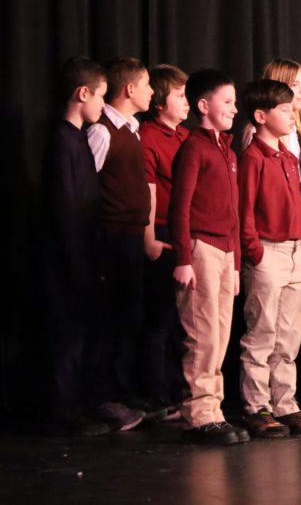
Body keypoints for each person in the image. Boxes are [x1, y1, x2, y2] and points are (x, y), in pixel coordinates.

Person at [43, 58, 136, 435]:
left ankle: (84, 402)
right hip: (68, 260)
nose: (102, 105)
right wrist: (81, 262)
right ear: (82, 94)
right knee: (67, 335)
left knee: (86, 332)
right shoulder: (62, 141)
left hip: (87, 254)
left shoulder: (78, 138)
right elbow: (67, 208)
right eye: (99, 96)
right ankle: (64, 410)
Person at [237, 79, 301, 438]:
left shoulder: (289, 157)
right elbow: (243, 209)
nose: (292, 114)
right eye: (285, 109)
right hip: (266, 251)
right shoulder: (252, 157)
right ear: (261, 115)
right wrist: (254, 250)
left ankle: (285, 403)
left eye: (293, 107)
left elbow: (294, 202)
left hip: (295, 252)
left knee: (288, 335)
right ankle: (256, 406)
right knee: (262, 332)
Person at [169, 69, 248, 444]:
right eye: (227, 102)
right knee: (201, 334)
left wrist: (234, 264)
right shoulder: (194, 147)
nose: (235, 109)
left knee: (220, 334)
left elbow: (232, 212)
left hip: (224, 251)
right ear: (203, 105)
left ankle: (214, 408)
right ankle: (199, 413)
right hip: (200, 248)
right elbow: (179, 208)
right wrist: (183, 258)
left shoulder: (227, 151)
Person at [86, 57, 154, 412]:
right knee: (109, 318)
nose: (152, 92)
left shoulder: (132, 129)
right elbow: (87, 188)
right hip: (110, 238)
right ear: (130, 89)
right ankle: (103, 396)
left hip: (132, 236)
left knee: (130, 317)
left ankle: (123, 390)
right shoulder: (102, 131)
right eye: (147, 85)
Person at [138, 64, 190, 417]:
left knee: (183, 321)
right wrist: (150, 238)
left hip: (186, 234)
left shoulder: (186, 137)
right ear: (159, 102)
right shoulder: (148, 137)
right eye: (180, 96)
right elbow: (148, 193)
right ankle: (158, 395)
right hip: (161, 232)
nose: (187, 102)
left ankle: (180, 390)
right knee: (159, 319)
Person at [242, 59, 301, 242]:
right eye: (295, 85)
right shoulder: (256, 133)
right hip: (273, 229)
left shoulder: (300, 133)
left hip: (298, 225)